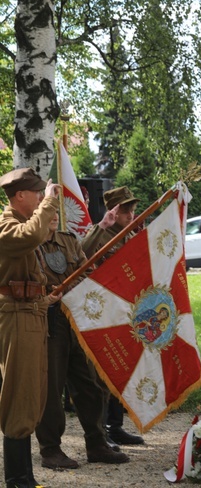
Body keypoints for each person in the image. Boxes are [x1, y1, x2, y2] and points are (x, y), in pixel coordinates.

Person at [35, 211, 130, 469]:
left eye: (56, 211)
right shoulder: (28, 243)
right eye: (48, 209)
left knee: (90, 384)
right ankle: (50, 450)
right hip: (47, 322)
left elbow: (86, 271)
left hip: (76, 319)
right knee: (51, 390)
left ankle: (97, 443)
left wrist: (69, 286)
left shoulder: (69, 240)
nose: (53, 216)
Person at [0, 167, 60, 488]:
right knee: (19, 398)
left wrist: (44, 299)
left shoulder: (22, 223)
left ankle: (26, 477)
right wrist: (48, 205)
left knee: (33, 395)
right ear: (19, 195)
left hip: (30, 312)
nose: (41, 197)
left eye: (42, 192)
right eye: (36, 192)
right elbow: (33, 236)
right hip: (15, 317)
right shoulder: (6, 225)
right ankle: (17, 480)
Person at [82, 186, 144, 446]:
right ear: (113, 211)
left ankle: (115, 426)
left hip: (128, 310)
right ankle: (103, 430)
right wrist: (101, 227)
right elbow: (82, 254)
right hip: (104, 310)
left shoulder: (133, 233)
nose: (131, 213)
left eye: (132, 208)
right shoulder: (99, 233)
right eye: (125, 209)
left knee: (123, 368)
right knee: (104, 371)